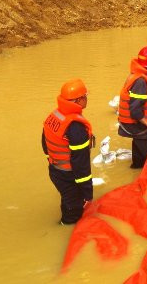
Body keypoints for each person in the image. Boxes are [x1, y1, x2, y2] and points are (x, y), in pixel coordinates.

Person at [42, 79, 95, 225]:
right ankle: (66, 227)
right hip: (68, 174)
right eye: (85, 96)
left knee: (67, 199)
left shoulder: (55, 115)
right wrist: (88, 194)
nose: (86, 99)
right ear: (79, 100)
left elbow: (44, 141)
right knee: (74, 209)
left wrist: (52, 160)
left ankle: (64, 221)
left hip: (55, 170)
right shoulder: (75, 127)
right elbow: (81, 164)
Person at [117, 46, 147, 169]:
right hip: (138, 125)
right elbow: (135, 111)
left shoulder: (138, 74)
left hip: (134, 124)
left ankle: (136, 169)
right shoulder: (141, 82)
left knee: (139, 156)